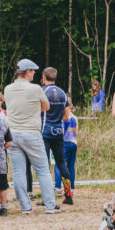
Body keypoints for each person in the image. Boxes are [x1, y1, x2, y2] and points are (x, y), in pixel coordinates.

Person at [3, 59, 61, 215]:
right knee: (42, 170)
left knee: (19, 172)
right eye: (33, 71)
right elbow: (46, 106)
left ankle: (25, 207)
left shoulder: (7, 89)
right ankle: (50, 205)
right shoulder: (36, 89)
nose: (34, 74)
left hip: (13, 134)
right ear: (27, 72)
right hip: (31, 133)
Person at [41, 67, 74, 205]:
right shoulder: (62, 93)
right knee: (62, 164)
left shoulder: (42, 92)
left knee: (44, 166)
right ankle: (68, 195)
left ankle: (47, 198)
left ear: (44, 77)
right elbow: (66, 116)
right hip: (58, 131)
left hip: (44, 131)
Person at [53, 106, 78, 193]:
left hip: (65, 143)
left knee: (59, 165)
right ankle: (71, 188)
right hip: (74, 143)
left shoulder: (63, 118)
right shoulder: (75, 118)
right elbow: (76, 132)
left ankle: (58, 187)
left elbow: (62, 132)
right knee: (71, 166)